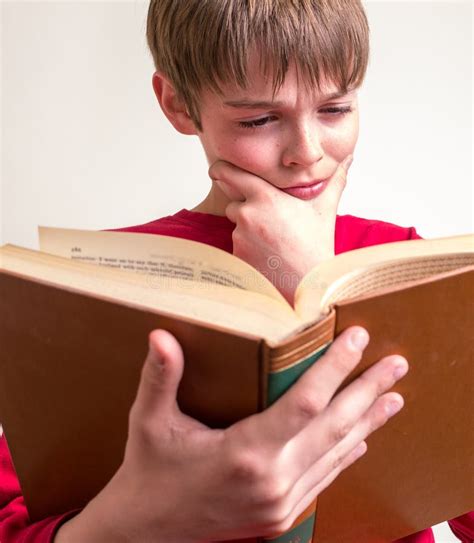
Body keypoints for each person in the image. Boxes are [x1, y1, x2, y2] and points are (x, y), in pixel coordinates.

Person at [1, 1, 472, 542]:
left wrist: (319, 283)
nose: (308, 152)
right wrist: (129, 519)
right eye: (259, 119)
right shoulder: (99, 283)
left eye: (336, 108)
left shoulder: (395, 262)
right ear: (178, 104)